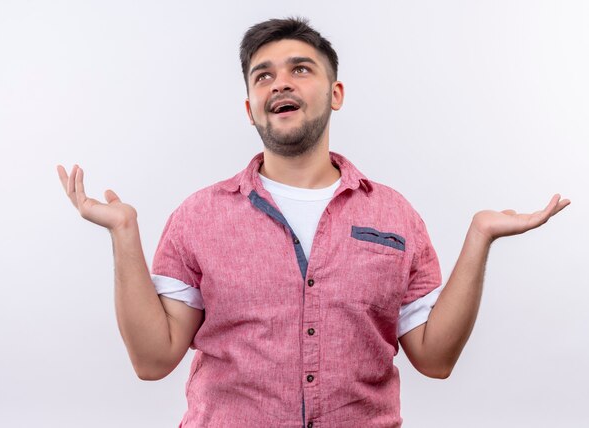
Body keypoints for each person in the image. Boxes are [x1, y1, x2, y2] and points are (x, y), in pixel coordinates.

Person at [57, 17, 570, 428]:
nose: (280, 81)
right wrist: (124, 233)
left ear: (336, 93)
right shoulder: (198, 217)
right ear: (250, 108)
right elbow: (153, 360)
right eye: (263, 75)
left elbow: (435, 360)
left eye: (300, 69)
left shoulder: (394, 214)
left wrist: (480, 237)